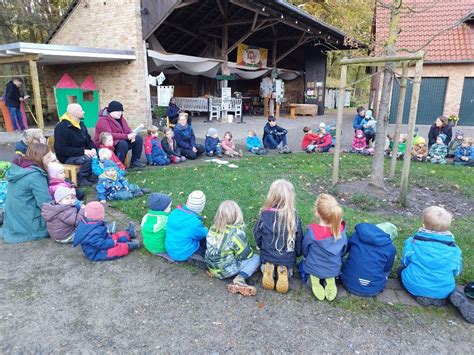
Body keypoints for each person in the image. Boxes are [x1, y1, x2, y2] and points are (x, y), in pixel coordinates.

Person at [399, 206, 462, 307]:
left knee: (401, 271)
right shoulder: (455, 250)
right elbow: (457, 271)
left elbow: (405, 262)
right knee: (446, 285)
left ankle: (421, 296)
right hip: (443, 288)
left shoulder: (412, 243)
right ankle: (445, 297)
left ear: (423, 225)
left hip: (416, 285)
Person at [254, 179, 303, 294]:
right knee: (287, 269)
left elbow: (257, 234)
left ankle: (268, 269)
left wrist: (260, 245)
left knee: (264, 266)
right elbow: (299, 238)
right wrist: (299, 253)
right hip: (288, 260)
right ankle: (283, 271)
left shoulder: (264, 214)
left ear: (271, 196)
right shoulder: (293, 217)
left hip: (267, 257)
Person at [205, 200, 260, 297]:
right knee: (256, 258)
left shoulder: (213, 228)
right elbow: (245, 255)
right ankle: (240, 278)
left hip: (211, 266)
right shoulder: (236, 234)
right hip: (226, 271)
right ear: (238, 215)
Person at [299, 194, 347, 301]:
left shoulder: (312, 232)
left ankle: (314, 281)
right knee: (334, 267)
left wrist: (307, 257)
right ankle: (330, 281)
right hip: (334, 268)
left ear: (317, 212)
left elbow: (305, 249)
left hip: (313, 266)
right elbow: (343, 250)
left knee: (301, 266)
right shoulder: (341, 231)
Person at [2, 143, 53, 243]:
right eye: (48, 157)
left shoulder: (20, 167)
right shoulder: (36, 175)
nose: (51, 159)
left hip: (13, 219)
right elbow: (45, 204)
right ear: (39, 158)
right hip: (28, 222)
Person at [340, 222, 397, 297]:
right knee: (387, 271)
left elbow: (343, 251)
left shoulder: (357, 236)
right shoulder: (390, 248)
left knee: (343, 261)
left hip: (347, 282)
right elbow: (387, 269)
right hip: (373, 289)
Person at [73, 201, 140, 262]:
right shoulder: (92, 232)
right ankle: (129, 246)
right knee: (117, 249)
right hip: (97, 252)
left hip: (102, 240)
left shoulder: (88, 222)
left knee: (114, 236)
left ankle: (129, 234)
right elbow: (100, 244)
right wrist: (112, 243)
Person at [54, 103, 97, 187]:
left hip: (81, 153)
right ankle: (81, 178)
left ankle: (91, 175)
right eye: (81, 110)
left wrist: (93, 148)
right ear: (74, 113)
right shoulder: (61, 127)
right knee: (88, 159)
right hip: (67, 157)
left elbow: (88, 140)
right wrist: (83, 151)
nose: (83, 112)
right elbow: (61, 149)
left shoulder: (81, 124)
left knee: (97, 152)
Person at [94, 100, 144, 168]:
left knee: (138, 139)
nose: (120, 113)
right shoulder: (102, 120)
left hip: (118, 141)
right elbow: (109, 135)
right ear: (111, 111)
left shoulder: (121, 118)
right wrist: (127, 136)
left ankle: (135, 161)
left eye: (121, 111)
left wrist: (132, 135)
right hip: (106, 143)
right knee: (123, 144)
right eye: (118, 111)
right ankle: (118, 165)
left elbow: (127, 129)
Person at [165, 190, 208, 261]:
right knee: (206, 243)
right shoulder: (194, 222)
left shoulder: (174, 212)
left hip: (170, 248)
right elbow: (202, 234)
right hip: (183, 252)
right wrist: (205, 229)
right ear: (201, 207)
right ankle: (195, 258)